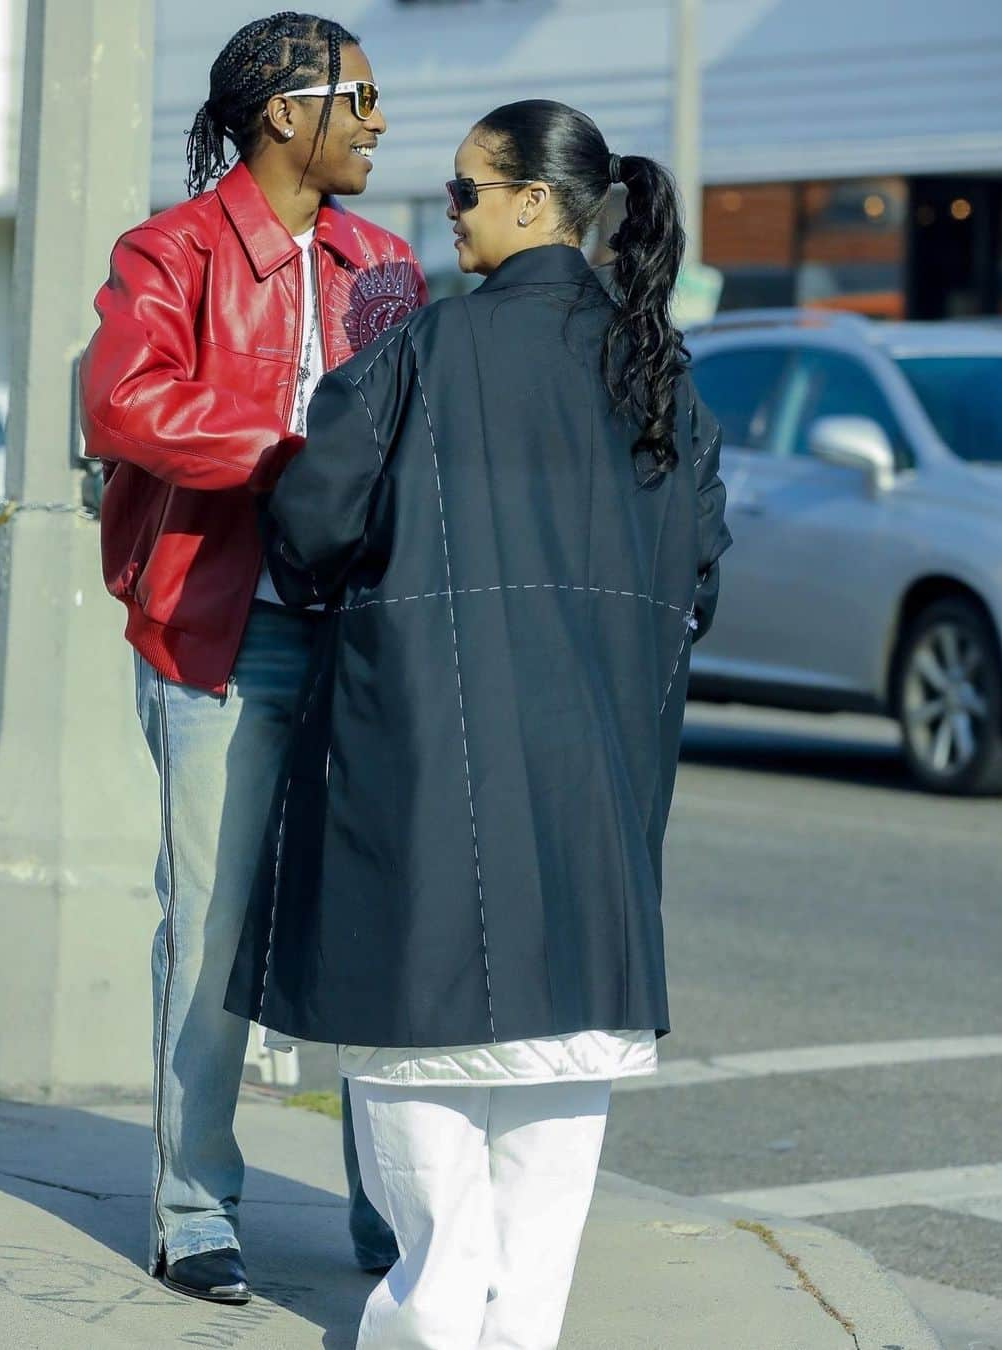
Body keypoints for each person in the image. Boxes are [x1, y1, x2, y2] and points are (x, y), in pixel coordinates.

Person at [226, 99, 731, 1346]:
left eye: (461, 191)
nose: (443, 212)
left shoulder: (417, 357)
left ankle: (433, 1321)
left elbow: (309, 536)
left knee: (423, 1109)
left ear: (532, 203)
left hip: (423, 783)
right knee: (554, 1131)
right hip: (597, 808)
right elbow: (701, 575)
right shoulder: (660, 373)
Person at [79, 12, 426, 1304]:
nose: (381, 121)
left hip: (364, 636)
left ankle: (393, 1215)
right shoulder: (168, 253)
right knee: (218, 927)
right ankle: (192, 1205)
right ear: (286, 112)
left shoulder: (383, 260)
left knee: (376, 922)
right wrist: (301, 454)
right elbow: (126, 402)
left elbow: (414, 427)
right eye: (362, 98)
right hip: (220, 632)